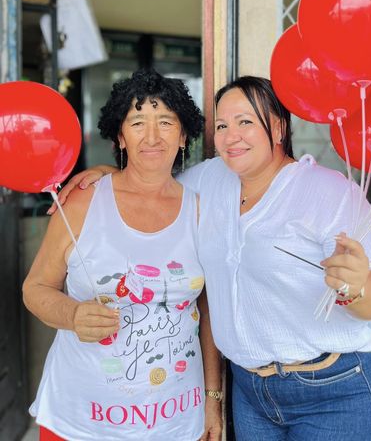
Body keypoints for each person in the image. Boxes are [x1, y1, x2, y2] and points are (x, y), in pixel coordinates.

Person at [55, 75, 371, 441]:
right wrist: (107, 174)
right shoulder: (208, 181)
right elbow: (149, 181)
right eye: (223, 126)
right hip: (252, 395)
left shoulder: (327, 191)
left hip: (337, 389)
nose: (231, 136)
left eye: (245, 122)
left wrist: (358, 287)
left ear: (278, 128)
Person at [23, 69, 223, 441]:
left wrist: (213, 398)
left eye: (166, 122)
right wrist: (72, 315)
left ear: (183, 135)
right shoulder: (83, 202)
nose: (152, 136)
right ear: (120, 136)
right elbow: (35, 288)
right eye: (137, 122)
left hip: (176, 421)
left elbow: (210, 309)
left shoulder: (200, 210)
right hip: (81, 420)